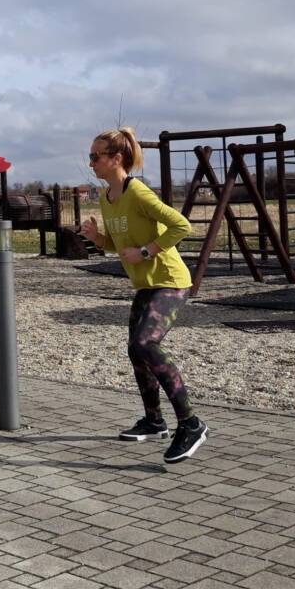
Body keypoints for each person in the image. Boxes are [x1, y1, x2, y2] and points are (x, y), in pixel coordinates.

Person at [79, 127, 208, 464]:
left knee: (144, 344)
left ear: (116, 158)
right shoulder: (108, 198)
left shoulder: (139, 193)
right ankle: (154, 421)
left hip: (170, 281)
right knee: (135, 351)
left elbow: (181, 225)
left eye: (95, 156)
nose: (90, 162)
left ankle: (191, 424)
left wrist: (149, 252)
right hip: (146, 285)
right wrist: (97, 239)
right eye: (90, 156)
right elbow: (119, 245)